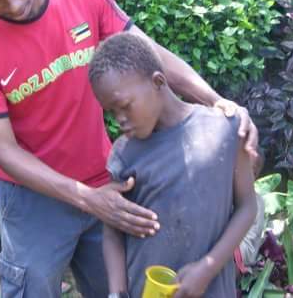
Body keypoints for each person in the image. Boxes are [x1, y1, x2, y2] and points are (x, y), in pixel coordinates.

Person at [0, 0, 258, 298]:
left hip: (106, 181)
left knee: (117, 287)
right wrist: (83, 197)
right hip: (33, 198)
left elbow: (149, 54)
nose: (14, 5)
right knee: (31, 287)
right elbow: (4, 150)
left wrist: (216, 100)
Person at [89, 32, 257, 298]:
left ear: (158, 81)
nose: (119, 120)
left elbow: (248, 207)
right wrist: (116, 292)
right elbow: (112, 232)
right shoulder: (124, 153)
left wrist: (208, 266)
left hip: (210, 289)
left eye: (124, 106)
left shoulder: (226, 130)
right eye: (111, 112)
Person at [235, 150, 266, 274]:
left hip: (237, 260)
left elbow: (249, 249)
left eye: (253, 171)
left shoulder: (256, 203)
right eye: (243, 167)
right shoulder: (223, 193)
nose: (246, 174)